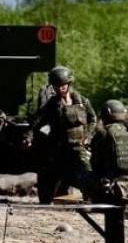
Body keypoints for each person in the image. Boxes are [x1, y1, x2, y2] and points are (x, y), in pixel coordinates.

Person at [31, 65, 96, 203]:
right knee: (50, 177)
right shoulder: (51, 105)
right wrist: (36, 136)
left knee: (88, 174)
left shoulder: (82, 101)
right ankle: (48, 202)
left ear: (69, 84)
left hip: (80, 147)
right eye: (56, 86)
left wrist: (88, 137)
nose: (60, 88)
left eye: (62, 85)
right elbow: (39, 122)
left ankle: (91, 202)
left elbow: (93, 119)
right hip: (60, 148)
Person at [89, 99, 128, 208]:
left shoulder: (104, 133)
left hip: (111, 187)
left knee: (83, 175)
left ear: (106, 114)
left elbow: (94, 162)